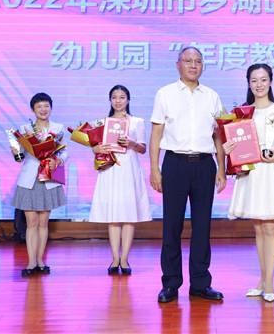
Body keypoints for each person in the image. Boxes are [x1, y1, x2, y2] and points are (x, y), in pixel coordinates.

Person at [150, 46, 227, 303]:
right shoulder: (165, 94)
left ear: (203, 65)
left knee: (202, 226)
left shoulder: (212, 96)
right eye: (188, 61)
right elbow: (156, 135)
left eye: (198, 61)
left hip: (205, 165)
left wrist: (222, 168)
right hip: (175, 164)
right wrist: (154, 169)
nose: (193, 65)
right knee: (172, 225)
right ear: (178, 65)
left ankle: (201, 283)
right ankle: (171, 283)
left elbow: (218, 136)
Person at [224, 63, 274, 302]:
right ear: (249, 83)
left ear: (271, 81)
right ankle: (262, 280)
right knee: (258, 227)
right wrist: (229, 149)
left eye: (263, 79)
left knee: (270, 227)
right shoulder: (242, 113)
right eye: (254, 80)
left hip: (273, 170)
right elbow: (235, 142)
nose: (259, 84)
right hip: (253, 172)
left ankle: (268, 283)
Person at [89, 85, 152, 275]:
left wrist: (132, 143)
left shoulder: (137, 122)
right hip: (110, 170)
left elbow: (143, 149)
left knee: (129, 215)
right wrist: (96, 149)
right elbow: (95, 147)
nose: (118, 101)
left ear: (128, 100)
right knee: (113, 216)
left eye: (122, 97)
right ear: (110, 100)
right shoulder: (103, 123)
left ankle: (124, 259)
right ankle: (115, 258)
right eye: (114, 97)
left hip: (129, 170)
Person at [11, 92, 67, 277]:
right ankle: (31, 262)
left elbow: (64, 152)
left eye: (46, 106)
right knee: (31, 223)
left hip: (48, 178)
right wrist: (15, 149)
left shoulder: (58, 128)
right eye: (39, 107)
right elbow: (19, 157)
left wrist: (57, 161)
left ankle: (41, 261)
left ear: (51, 108)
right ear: (33, 110)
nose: (43, 109)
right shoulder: (25, 129)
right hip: (30, 179)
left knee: (43, 223)